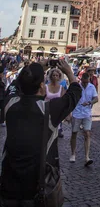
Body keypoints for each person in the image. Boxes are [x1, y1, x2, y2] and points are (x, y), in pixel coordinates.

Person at [0, 60, 81, 207]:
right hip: (38, 188)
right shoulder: (49, 110)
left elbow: (14, 85)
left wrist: (33, 69)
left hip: (8, 185)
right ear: (42, 87)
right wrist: (70, 73)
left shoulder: (9, 104)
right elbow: (75, 93)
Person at [70, 71, 98, 166]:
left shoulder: (91, 87)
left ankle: (87, 157)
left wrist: (90, 102)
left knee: (87, 133)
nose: (85, 84)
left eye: (87, 82)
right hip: (77, 113)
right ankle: (73, 154)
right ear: (81, 80)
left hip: (87, 113)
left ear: (89, 80)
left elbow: (96, 98)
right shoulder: (77, 87)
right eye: (84, 82)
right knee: (74, 133)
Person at [45, 67, 66, 138]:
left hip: (56, 113)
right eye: (53, 75)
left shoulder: (61, 88)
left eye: (57, 75)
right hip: (46, 112)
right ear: (51, 76)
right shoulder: (46, 87)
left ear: (59, 77)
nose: (55, 77)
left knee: (54, 135)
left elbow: (63, 101)